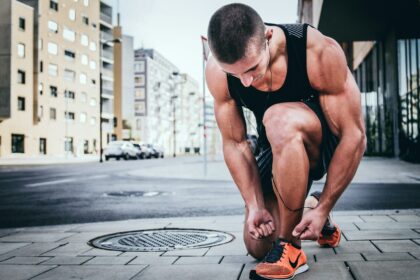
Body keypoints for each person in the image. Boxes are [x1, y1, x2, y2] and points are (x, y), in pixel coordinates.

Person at [205, 3, 366, 280]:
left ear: (268, 38)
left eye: (252, 68)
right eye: (235, 74)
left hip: (321, 142)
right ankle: (309, 209)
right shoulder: (218, 70)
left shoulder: (314, 49)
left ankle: (290, 249)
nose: (244, 82)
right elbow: (235, 143)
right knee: (257, 245)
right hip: (276, 145)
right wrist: (254, 205)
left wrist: (329, 202)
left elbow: (354, 135)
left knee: (278, 117)